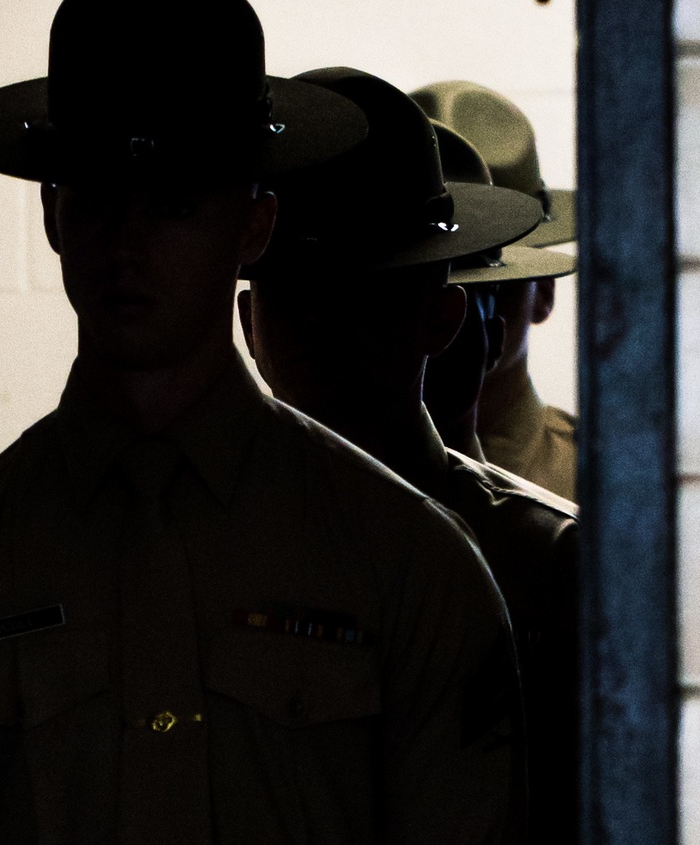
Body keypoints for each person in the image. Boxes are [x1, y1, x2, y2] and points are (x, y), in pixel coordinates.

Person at [0, 3, 526, 843]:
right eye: (99, 197)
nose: (128, 241)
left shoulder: (412, 569)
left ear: (254, 223)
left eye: (174, 203)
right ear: (53, 212)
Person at [238, 71, 579, 844]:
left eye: (373, 296)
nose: (330, 326)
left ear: (444, 317)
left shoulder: (546, 560)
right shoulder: (186, 542)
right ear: (248, 320)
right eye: (301, 294)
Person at [411, 81, 578, 501]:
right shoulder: (322, 476)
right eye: (427, 278)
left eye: (493, 278)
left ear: (543, 290)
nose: (458, 308)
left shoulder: (610, 484)